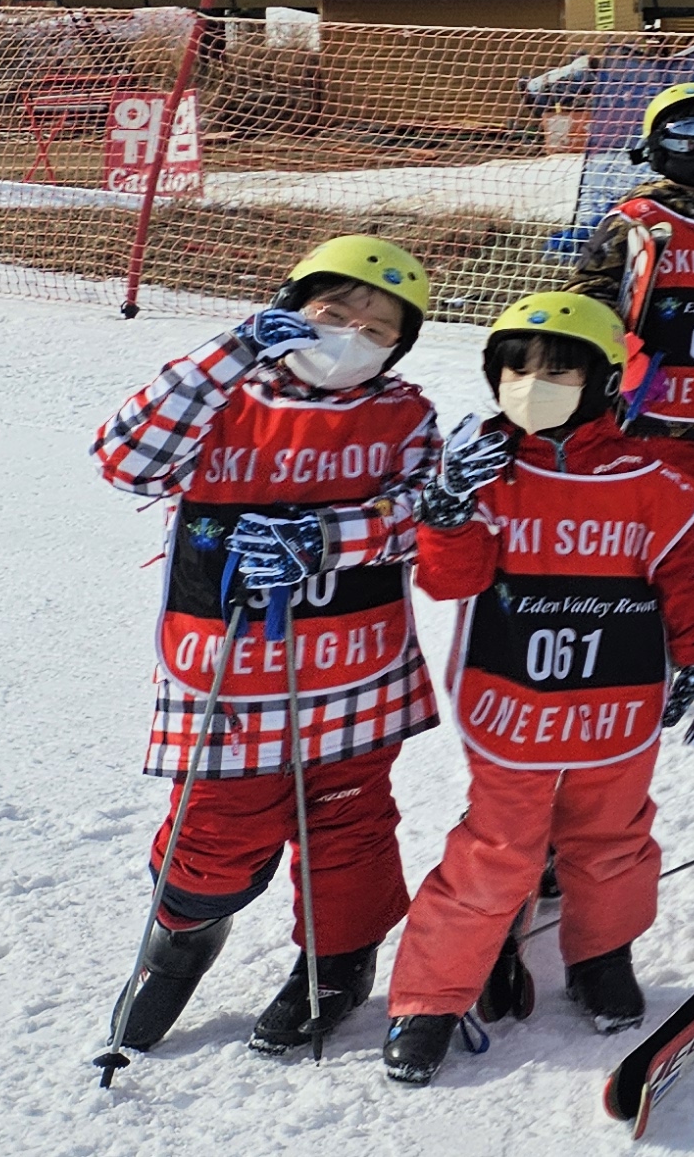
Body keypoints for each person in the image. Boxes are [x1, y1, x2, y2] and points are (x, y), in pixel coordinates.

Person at [97, 235, 444, 1060]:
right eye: (334, 312)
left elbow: (428, 511)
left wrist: (328, 536)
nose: (352, 333)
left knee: (350, 825)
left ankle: (339, 958)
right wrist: (233, 350)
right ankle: (180, 937)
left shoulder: (405, 413)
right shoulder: (224, 398)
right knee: (211, 830)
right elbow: (126, 461)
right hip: (231, 677)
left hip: (355, 672)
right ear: (290, 307)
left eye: (377, 326)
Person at [378, 293, 694, 1084]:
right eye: (519, 368)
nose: (536, 384)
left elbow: (677, 576)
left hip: (616, 704)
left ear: (604, 380)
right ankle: (430, 996)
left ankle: (602, 954)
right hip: (515, 704)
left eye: (561, 369)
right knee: (498, 852)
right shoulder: (487, 475)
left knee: (612, 838)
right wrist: (447, 510)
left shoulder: (653, 481)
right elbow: (449, 581)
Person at [572, 81, 694, 514]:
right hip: (632, 422)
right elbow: (585, 303)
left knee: (685, 539)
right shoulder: (637, 220)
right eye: (688, 134)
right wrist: (623, 361)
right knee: (625, 540)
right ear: (657, 145)